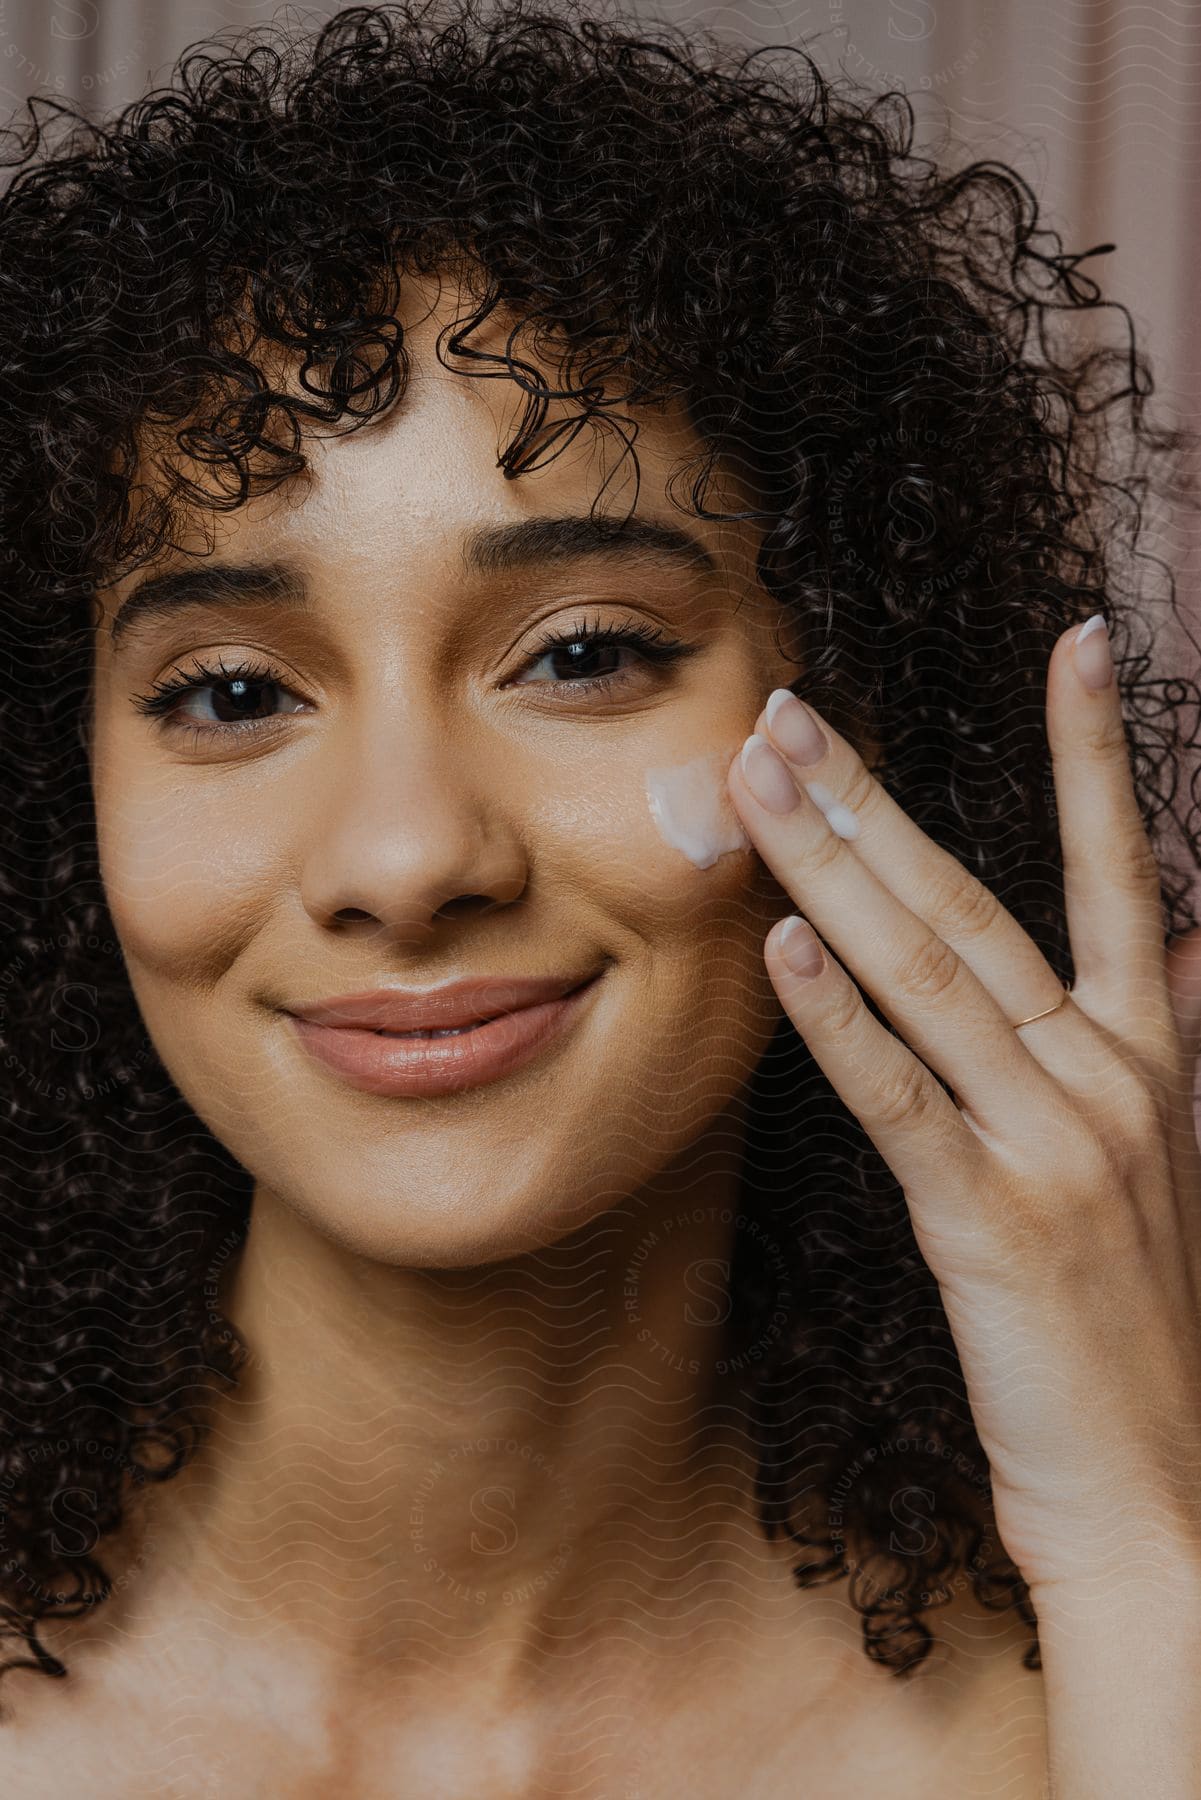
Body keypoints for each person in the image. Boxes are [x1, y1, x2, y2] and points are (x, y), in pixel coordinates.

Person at [0, 0, 1199, 1791]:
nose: (406, 862)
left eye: (582, 657)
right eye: (233, 692)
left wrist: (1133, 1540)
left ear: (856, 733)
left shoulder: (1097, 1688)